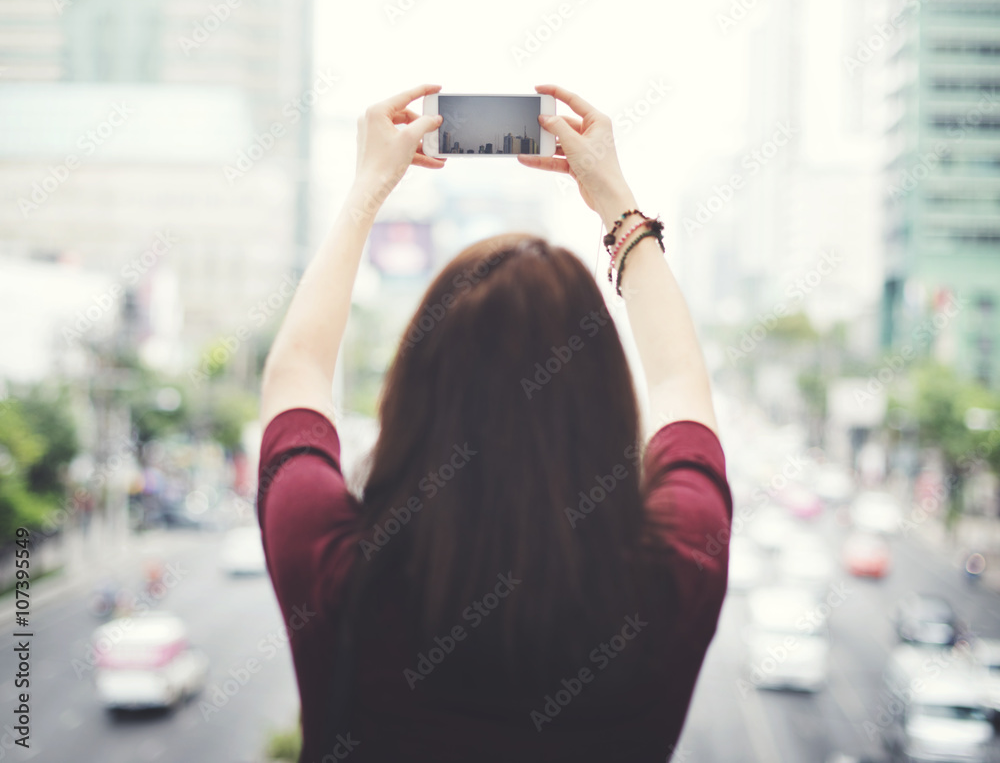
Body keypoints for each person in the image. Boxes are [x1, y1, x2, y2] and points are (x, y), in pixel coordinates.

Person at [257, 83, 731, 763]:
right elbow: (681, 382)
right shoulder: (674, 575)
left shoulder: (338, 573)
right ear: (604, 402)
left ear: (411, 396)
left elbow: (296, 371)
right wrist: (614, 201)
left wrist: (366, 189)